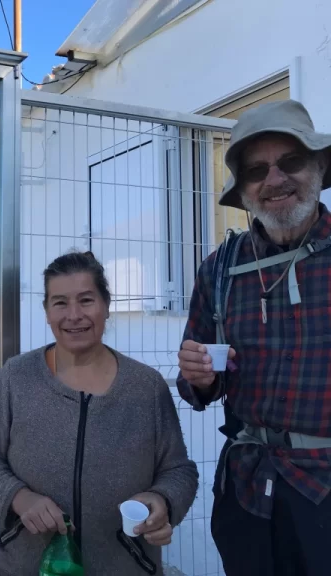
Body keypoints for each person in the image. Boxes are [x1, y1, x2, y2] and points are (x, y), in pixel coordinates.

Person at [0, 251, 198, 576]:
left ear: (106, 305)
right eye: (60, 303)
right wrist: (18, 498)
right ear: (46, 312)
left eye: (86, 300)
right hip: (24, 568)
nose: (74, 315)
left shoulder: (146, 387)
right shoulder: (17, 377)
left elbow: (178, 470)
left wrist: (164, 502)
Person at [177, 99, 331, 575]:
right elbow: (199, 384)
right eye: (257, 170)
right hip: (247, 487)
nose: (275, 180)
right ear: (243, 189)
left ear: (319, 167)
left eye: (291, 162)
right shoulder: (221, 269)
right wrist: (198, 377)